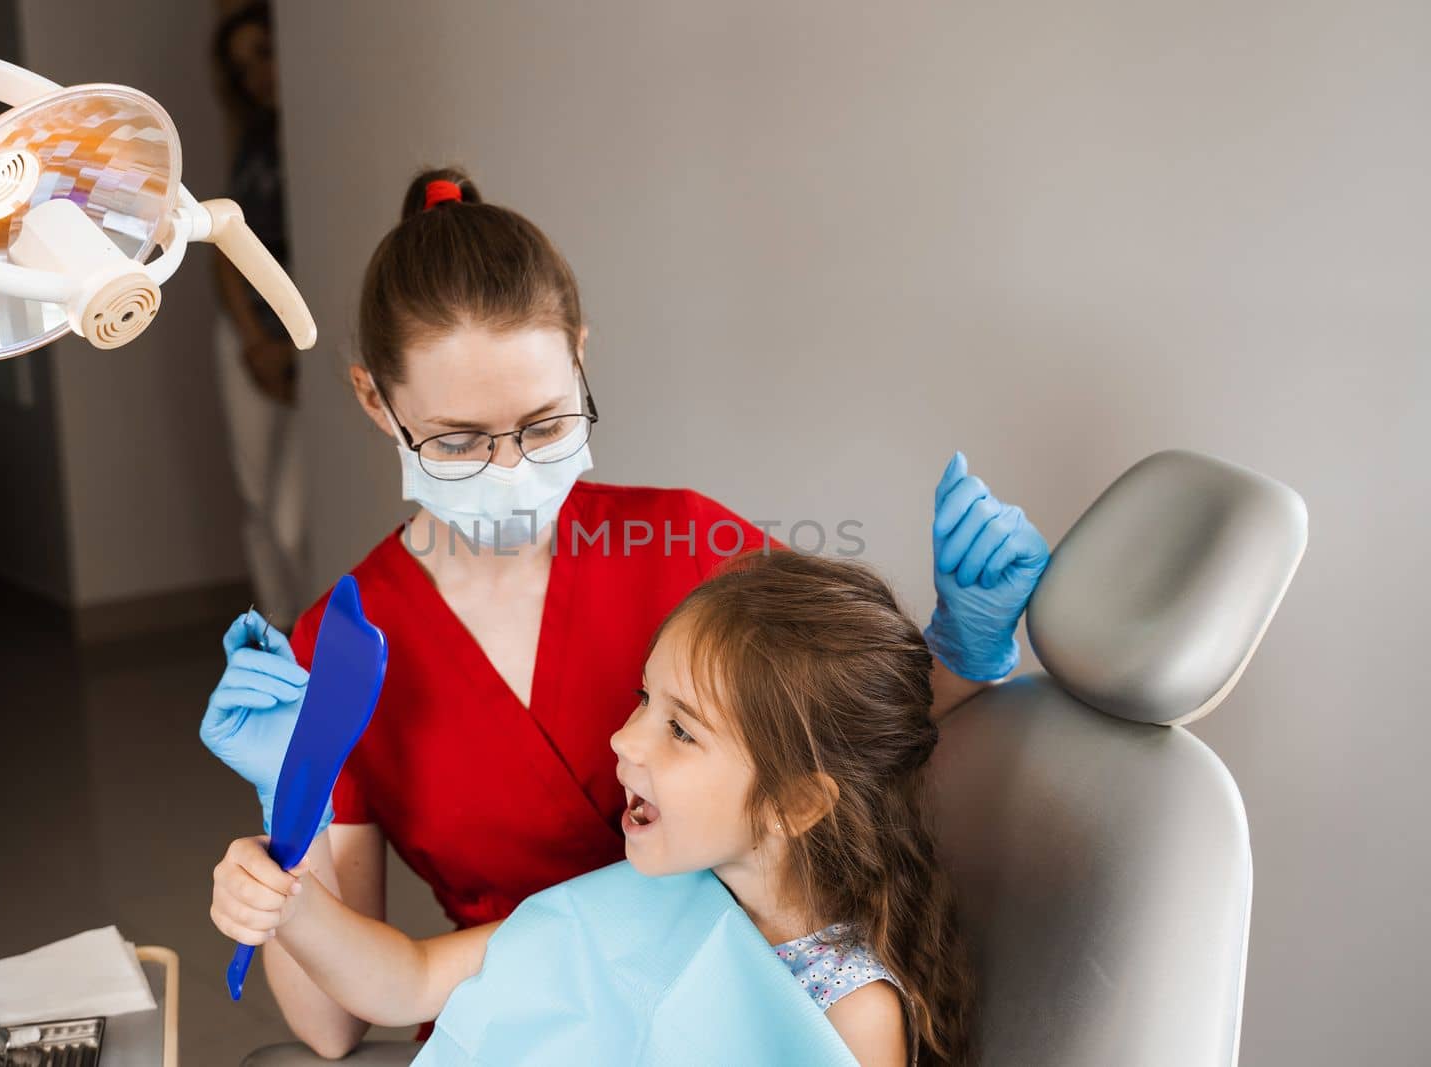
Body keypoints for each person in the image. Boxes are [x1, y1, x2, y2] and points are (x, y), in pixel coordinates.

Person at [200, 166, 1045, 1057]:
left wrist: (963, 643)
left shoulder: (686, 543)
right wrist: (288, 806)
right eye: (457, 441)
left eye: (544, 424)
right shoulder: (343, 651)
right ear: (378, 401)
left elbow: (843, 733)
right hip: (522, 1011)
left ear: (581, 359)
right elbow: (337, 1021)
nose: (511, 469)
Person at [213, 551, 973, 1065]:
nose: (623, 737)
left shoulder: (851, 1012)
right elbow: (406, 980)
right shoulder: (639, 895)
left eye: (680, 728)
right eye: (645, 697)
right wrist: (285, 899)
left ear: (796, 802)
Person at [209, 1, 306, 628]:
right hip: (245, 331)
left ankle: (314, 636)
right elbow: (224, 246)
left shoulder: (315, 136)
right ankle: (282, 642)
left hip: (307, 336)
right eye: (242, 69)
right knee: (255, 499)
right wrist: (252, 339)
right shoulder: (252, 143)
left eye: (264, 55)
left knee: (290, 511)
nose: (257, 77)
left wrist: (289, 345)